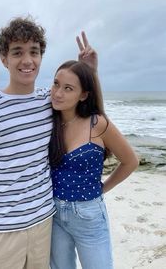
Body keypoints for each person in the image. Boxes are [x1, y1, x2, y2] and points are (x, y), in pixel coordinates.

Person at [0, 16, 94, 269]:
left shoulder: (50, 101)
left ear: (41, 56)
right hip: (1, 231)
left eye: (34, 52)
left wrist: (89, 70)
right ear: (4, 58)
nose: (27, 60)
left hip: (43, 224)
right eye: (17, 52)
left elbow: (86, 108)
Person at [48, 60, 139, 269]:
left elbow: (130, 161)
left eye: (68, 88)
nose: (58, 93)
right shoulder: (48, 118)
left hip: (88, 215)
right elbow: (21, 100)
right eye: (55, 84)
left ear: (83, 95)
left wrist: (103, 188)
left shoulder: (97, 124)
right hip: (53, 214)